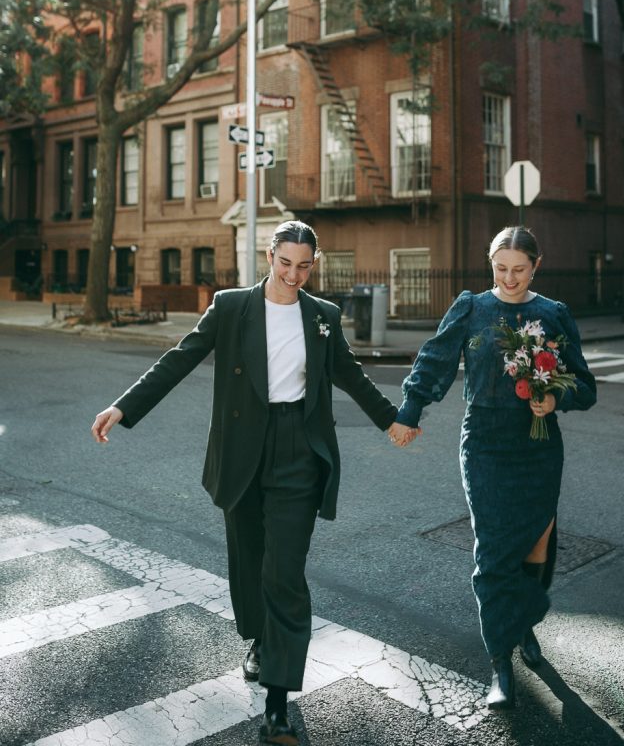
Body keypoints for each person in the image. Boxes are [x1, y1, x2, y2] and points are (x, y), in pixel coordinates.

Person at [91, 220, 397, 746]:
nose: (293, 275)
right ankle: (257, 637)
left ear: (312, 264)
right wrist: (124, 405)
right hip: (242, 451)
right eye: (285, 263)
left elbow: (349, 373)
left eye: (304, 266)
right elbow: (180, 358)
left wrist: (393, 419)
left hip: (299, 448)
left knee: (284, 573)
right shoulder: (232, 307)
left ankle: (278, 706)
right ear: (270, 256)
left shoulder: (322, 317)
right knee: (248, 557)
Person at [386, 226, 596, 710]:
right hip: (484, 443)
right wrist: (409, 412)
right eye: (500, 268)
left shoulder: (552, 315)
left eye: (518, 269)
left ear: (536, 266)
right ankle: (501, 663)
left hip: (538, 449)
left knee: (535, 547)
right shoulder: (472, 308)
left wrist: (554, 395)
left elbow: (585, 385)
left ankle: (522, 622)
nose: (508, 278)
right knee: (494, 552)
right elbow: (433, 361)